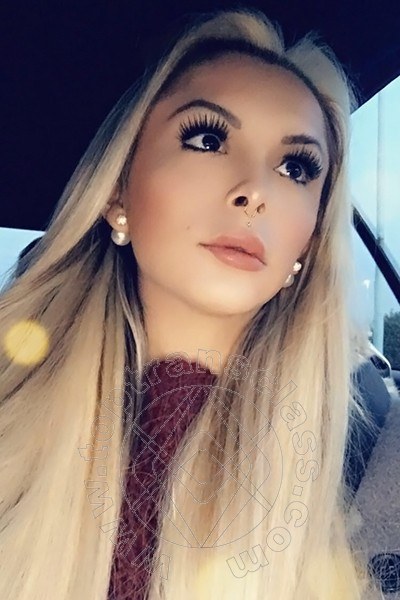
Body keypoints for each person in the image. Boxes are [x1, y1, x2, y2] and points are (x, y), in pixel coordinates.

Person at [0, 7, 398, 600]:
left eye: (296, 167)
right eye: (208, 139)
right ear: (116, 190)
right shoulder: (12, 406)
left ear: (310, 241)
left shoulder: (366, 458)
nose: (255, 191)